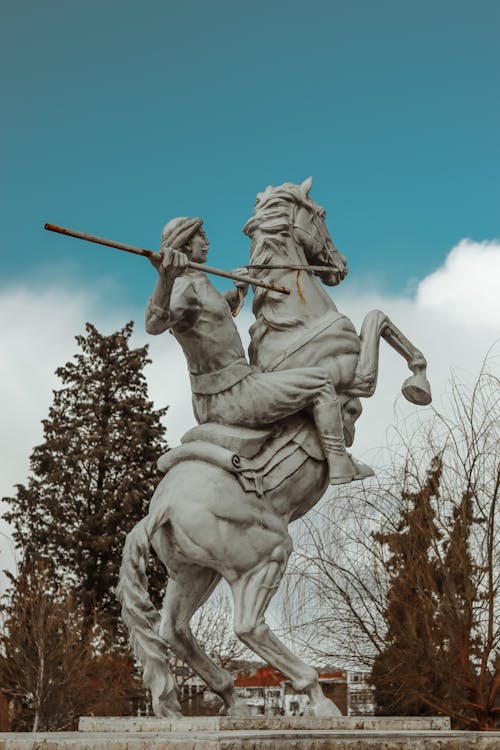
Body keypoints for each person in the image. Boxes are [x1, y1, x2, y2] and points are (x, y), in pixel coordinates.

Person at [145, 216, 371, 484]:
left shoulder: (198, 281)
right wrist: (164, 279)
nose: (206, 242)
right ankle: (340, 464)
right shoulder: (183, 287)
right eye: (200, 236)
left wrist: (237, 291)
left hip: (222, 391)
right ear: (183, 245)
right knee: (321, 383)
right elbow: (154, 323)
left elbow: (210, 315)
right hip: (231, 393)